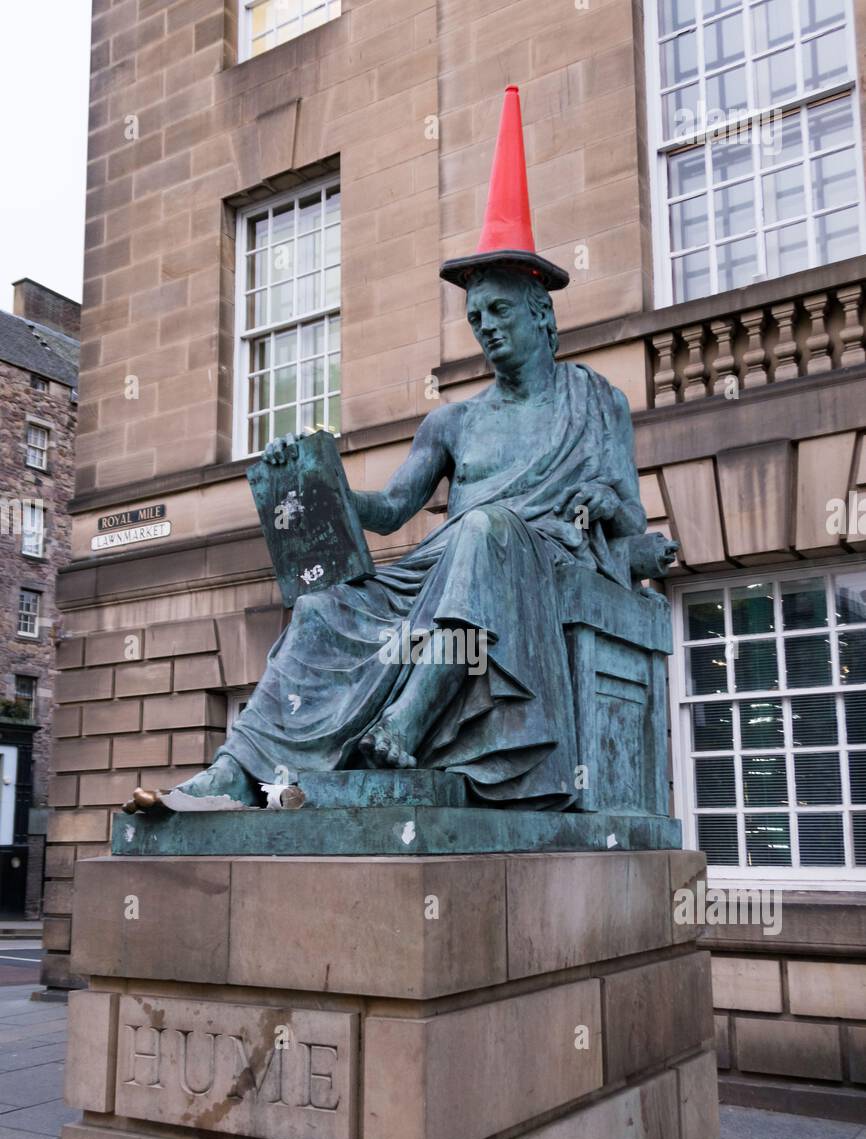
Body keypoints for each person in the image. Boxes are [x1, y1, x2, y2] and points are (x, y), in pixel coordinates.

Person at [126, 89, 651, 815]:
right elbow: (390, 510)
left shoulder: (595, 402)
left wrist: (611, 510)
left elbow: (633, 524)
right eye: (475, 318)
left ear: (541, 311)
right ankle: (240, 771)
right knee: (323, 602)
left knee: (486, 527)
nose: (486, 328)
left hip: (531, 567)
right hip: (448, 574)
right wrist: (320, 483)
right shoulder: (454, 423)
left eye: (499, 311)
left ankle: (403, 729)